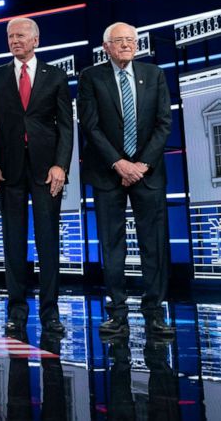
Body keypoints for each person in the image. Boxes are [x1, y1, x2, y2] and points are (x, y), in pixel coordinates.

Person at [77, 22, 174, 339]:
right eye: (119, 41)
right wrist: (119, 163)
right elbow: (90, 126)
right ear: (106, 47)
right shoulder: (91, 77)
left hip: (149, 173)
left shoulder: (155, 74)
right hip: (108, 173)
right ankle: (117, 313)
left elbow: (164, 123)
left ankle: (155, 313)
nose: (126, 45)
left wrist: (141, 164)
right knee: (112, 245)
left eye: (131, 40)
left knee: (153, 245)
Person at [0, 17, 73, 341]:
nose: (14, 40)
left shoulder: (57, 76)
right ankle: (16, 313)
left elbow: (65, 126)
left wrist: (61, 165)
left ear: (35, 40)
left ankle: (51, 315)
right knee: (13, 243)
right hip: (8, 170)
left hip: (46, 170)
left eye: (20, 35)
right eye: (10, 36)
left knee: (49, 243)